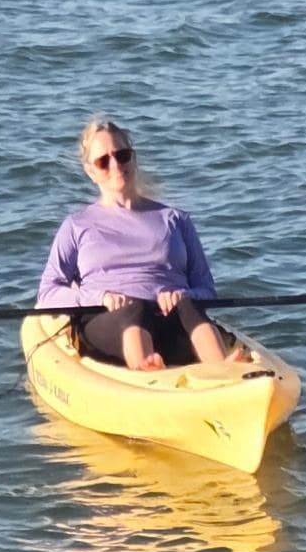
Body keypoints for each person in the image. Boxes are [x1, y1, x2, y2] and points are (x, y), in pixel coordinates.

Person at [38, 118, 230, 372]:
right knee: (134, 309)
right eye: (103, 161)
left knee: (189, 307)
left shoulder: (176, 219)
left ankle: (225, 373)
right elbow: (48, 294)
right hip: (109, 322)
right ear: (90, 171)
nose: (116, 165)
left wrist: (185, 295)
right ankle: (147, 374)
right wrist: (99, 297)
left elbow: (206, 289)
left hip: (172, 323)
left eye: (122, 155)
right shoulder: (76, 225)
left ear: (133, 158)